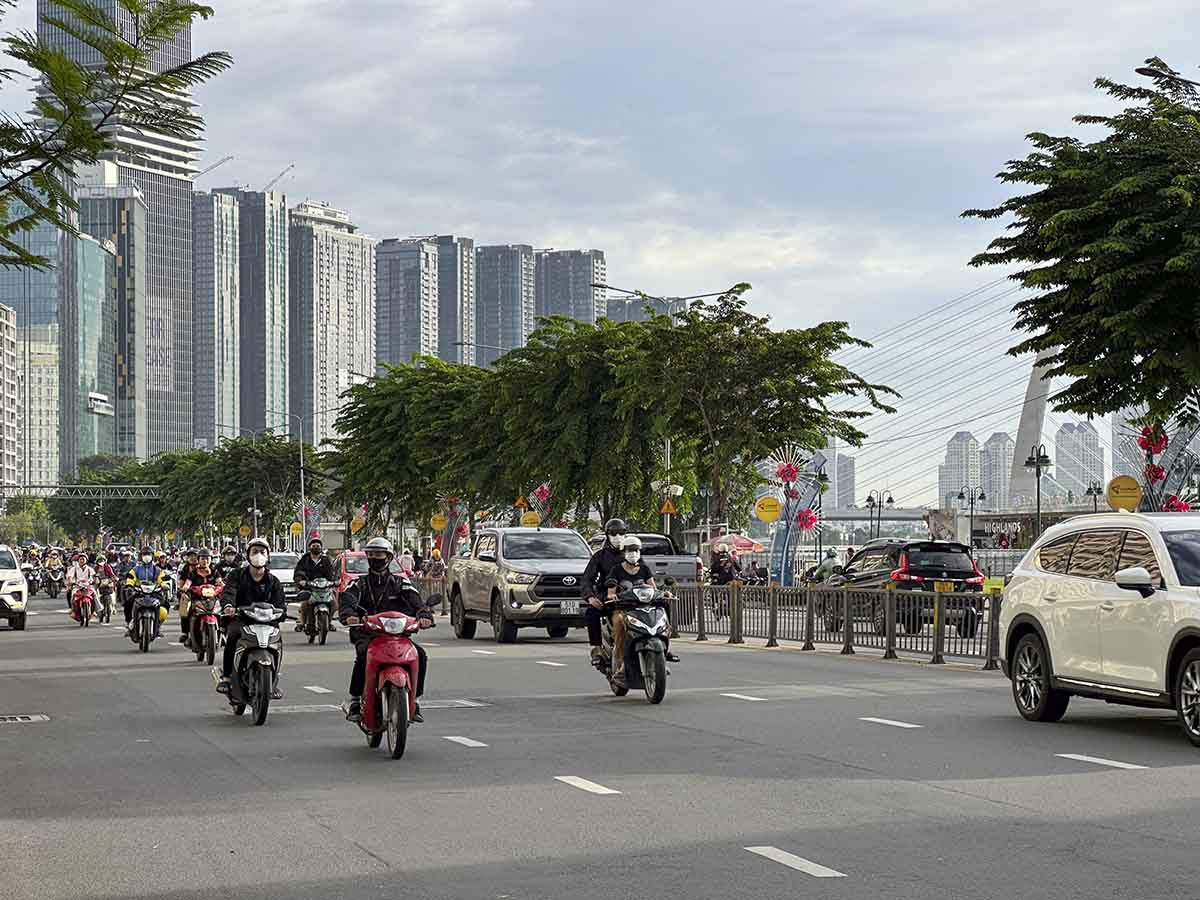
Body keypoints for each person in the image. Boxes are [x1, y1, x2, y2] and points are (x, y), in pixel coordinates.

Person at [339, 537, 432, 723]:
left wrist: (424, 615)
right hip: (368, 634)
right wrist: (348, 614)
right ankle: (355, 700)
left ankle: (415, 700)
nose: (375, 558)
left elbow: (416, 601)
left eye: (379, 555)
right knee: (363, 654)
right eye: (371, 555)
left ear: (388, 557)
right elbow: (348, 599)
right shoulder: (359, 584)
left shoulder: (401, 583)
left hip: (398, 636)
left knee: (420, 654)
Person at [216, 537, 286, 698]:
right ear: (248, 555)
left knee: (278, 642)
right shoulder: (237, 575)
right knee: (233, 635)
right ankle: (227, 677)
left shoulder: (273, 581)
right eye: (255, 552)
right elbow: (229, 592)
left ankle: (273, 682)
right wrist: (228, 606)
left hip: (267, 621)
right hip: (241, 618)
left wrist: (281, 612)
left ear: (268, 556)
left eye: (262, 552)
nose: (259, 555)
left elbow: (280, 603)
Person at [603, 535, 664, 687]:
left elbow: (653, 588)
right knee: (619, 625)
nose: (633, 553)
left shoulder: (644, 569)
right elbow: (611, 590)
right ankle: (621, 664)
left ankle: (663, 653)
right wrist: (612, 595)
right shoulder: (616, 570)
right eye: (630, 550)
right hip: (623, 609)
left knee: (662, 615)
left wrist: (664, 593)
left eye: (636, 550)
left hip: (643, 608)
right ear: (624, 552)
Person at [581, 518, 629, 666]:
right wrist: (590, 598)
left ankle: (664, 647)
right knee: (591, 612)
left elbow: (647, 576)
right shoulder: (600, 556)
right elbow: (587, 580)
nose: (617, 537)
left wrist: (657, 592)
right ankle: (596, 648)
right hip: (607, 598)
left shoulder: (632, 554)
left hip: (631, 597)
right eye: (613, 533)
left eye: (621, 533)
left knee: (660, 606)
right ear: (607, 535)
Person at [293, 537, 338, 633]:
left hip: (324, 588)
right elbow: (298, 572)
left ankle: (328, 622)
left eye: (318, 546)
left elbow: (332, 574)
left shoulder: (326, 560)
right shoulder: (304, 560)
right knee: (305, 604)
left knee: (334, 603)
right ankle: (303, 623)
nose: (316, 548)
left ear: (321, 548)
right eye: (314, 546)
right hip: (309, 587)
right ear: (310, 548)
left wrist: (334, 582)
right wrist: (301, 581)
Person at [179, 548, 220, 644]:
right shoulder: (192, 573)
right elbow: (187, 583)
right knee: (186, 611)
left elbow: (220, 582)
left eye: (207, 558)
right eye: (203, 559)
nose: (205, 561)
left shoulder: (214, 572)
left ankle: (222, 632)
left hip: (212, 599)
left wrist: (223, 587)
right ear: (199, 560)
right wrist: (185, 587)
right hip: (196, 599)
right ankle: (187, 634)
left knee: (224, 613)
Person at [123, 547, 168, 632]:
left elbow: (161, 579)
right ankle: (129, 623)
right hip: (139, 592)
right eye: (144, 554)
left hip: (154, 592)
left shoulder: (157, 570)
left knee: (166, 605)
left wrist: (164, 585)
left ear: (152, 556)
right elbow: (131, 578)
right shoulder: (136, 569)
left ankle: (158, 625)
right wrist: (129, 585)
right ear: (141, 556)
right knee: (127, 604)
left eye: (149, 554)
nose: (147, 556)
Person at [66, 552, 96, 620]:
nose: (82, 561)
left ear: (86, 560)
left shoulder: (90, 569)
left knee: (95, 594)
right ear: (78, 560)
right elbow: (70, 576)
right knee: (72, 594)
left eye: (83, 559)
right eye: (80, 559)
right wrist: (71, 582)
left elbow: (94, 576)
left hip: (88, 586)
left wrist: (94, 581)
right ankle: (73, 610)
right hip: (77, 586)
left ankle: (93, 611)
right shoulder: (74, 569)